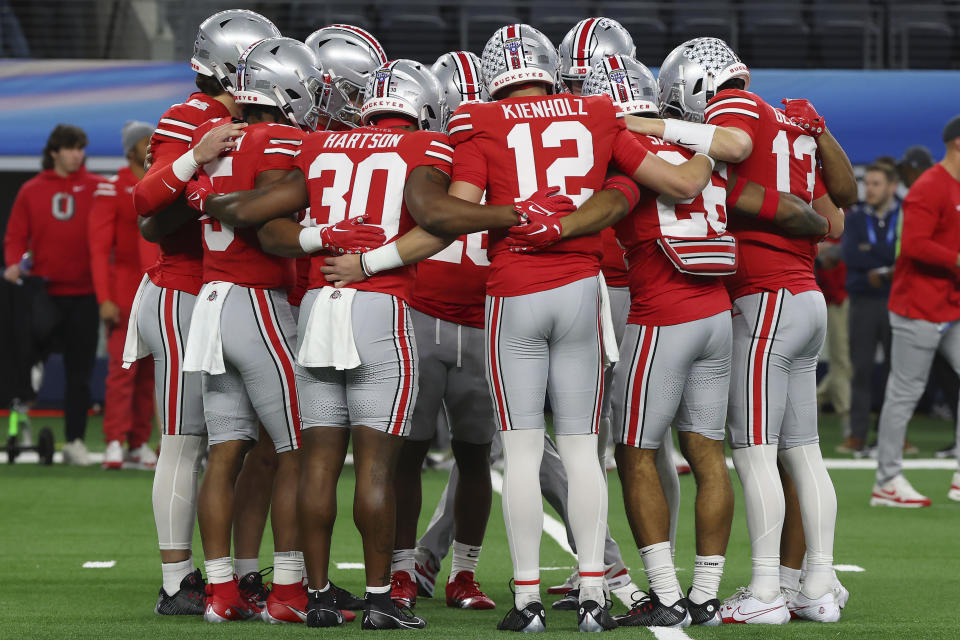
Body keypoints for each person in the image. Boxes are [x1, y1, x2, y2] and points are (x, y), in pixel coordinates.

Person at [198, 58, 560, 630]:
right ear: (421, 108)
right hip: (382, 306)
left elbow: (265, 226)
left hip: (320, 303)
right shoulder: (425, 146)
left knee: (320, 462)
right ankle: (378, 599)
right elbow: (435, 212)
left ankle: (314, 596)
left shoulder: (321, 145)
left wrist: (321, 234)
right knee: (376, 466)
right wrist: (514, 212)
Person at [535, 52, 830, 628]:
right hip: (719, 315)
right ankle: (704, 592)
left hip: (661, 315)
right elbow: (800, 214)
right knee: (707, 454)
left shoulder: (621, 149)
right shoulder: (708, 156)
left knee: (636, 451)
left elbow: (602, 204)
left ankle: (666, 591)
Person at [446, 23, 722, 634]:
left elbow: (460, 212)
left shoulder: (476, 119)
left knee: (520, 451)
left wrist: (511, 214)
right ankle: (596, 593)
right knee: (583, 450)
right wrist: (712, 147)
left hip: (514, 287)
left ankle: (526, 602)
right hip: (585, 289)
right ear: (551, 67)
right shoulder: (598, 111)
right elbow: (670, 183)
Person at [626, 37, 851, 624]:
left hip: (765, 299)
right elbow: (833, 220)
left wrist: (643, 123)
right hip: (806, 295)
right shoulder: (792, 126)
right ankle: (818, 586)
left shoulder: (738, 109)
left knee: (754, 451)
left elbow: (733, 141)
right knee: (804, 452)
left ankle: (767, 591)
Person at [127, 8, 279, 616]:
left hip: (240, 292)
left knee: (243, 444)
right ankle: (175, 580)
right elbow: (151, 208)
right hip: (184, 291)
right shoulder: (193, 116)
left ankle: (239, 573)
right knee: (185, 441)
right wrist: (197, 158)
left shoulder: (258, 117)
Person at [388, 50, 497, 613]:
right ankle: (403, 570)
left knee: (475, 455)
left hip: (482, 319)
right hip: (421, 312)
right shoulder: (422, 153)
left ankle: (464, 573)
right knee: (407, 454)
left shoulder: (502, 150)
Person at [871, 115, 960, 508]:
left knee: (905, 392)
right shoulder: (930, 187)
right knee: (904, 393)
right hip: (917, 308)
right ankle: (886, 482)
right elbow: (914, 246)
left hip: (951, 306)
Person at [4, 123, 102, 466]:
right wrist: (14, 263)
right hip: (43, 294)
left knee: (80, 372)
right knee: (28, 362)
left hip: (85, 294)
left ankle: (74, 440)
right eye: (72, 148)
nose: (78, 154)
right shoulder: (32, 190)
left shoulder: (98, 188)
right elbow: (15, 236)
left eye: (81, 148)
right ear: (54, 152)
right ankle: (22, 422)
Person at [89, 120, 157, 470]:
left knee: (148, 372)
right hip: (123, 294)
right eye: (146, 140)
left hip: (156, 290)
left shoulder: (160, 181)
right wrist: (105, 298)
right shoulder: (112, 188)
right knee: (122, 371)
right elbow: (100, 250)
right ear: (131, 148)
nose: (152, 145)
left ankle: (138, 441)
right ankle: (114, 439)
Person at [840, 162, 900, 454]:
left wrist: (882, 265)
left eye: (876, 183)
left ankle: (892, 436)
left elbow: (905, 254)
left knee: (896, 370)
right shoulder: (854, 217)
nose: (869, 189)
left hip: (896, 301)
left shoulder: (906, 214)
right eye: (867, 183)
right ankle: (858, 436)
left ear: (892, 187)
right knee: (860, 369)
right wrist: (888, 264)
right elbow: (851, 255)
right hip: (863, 301)